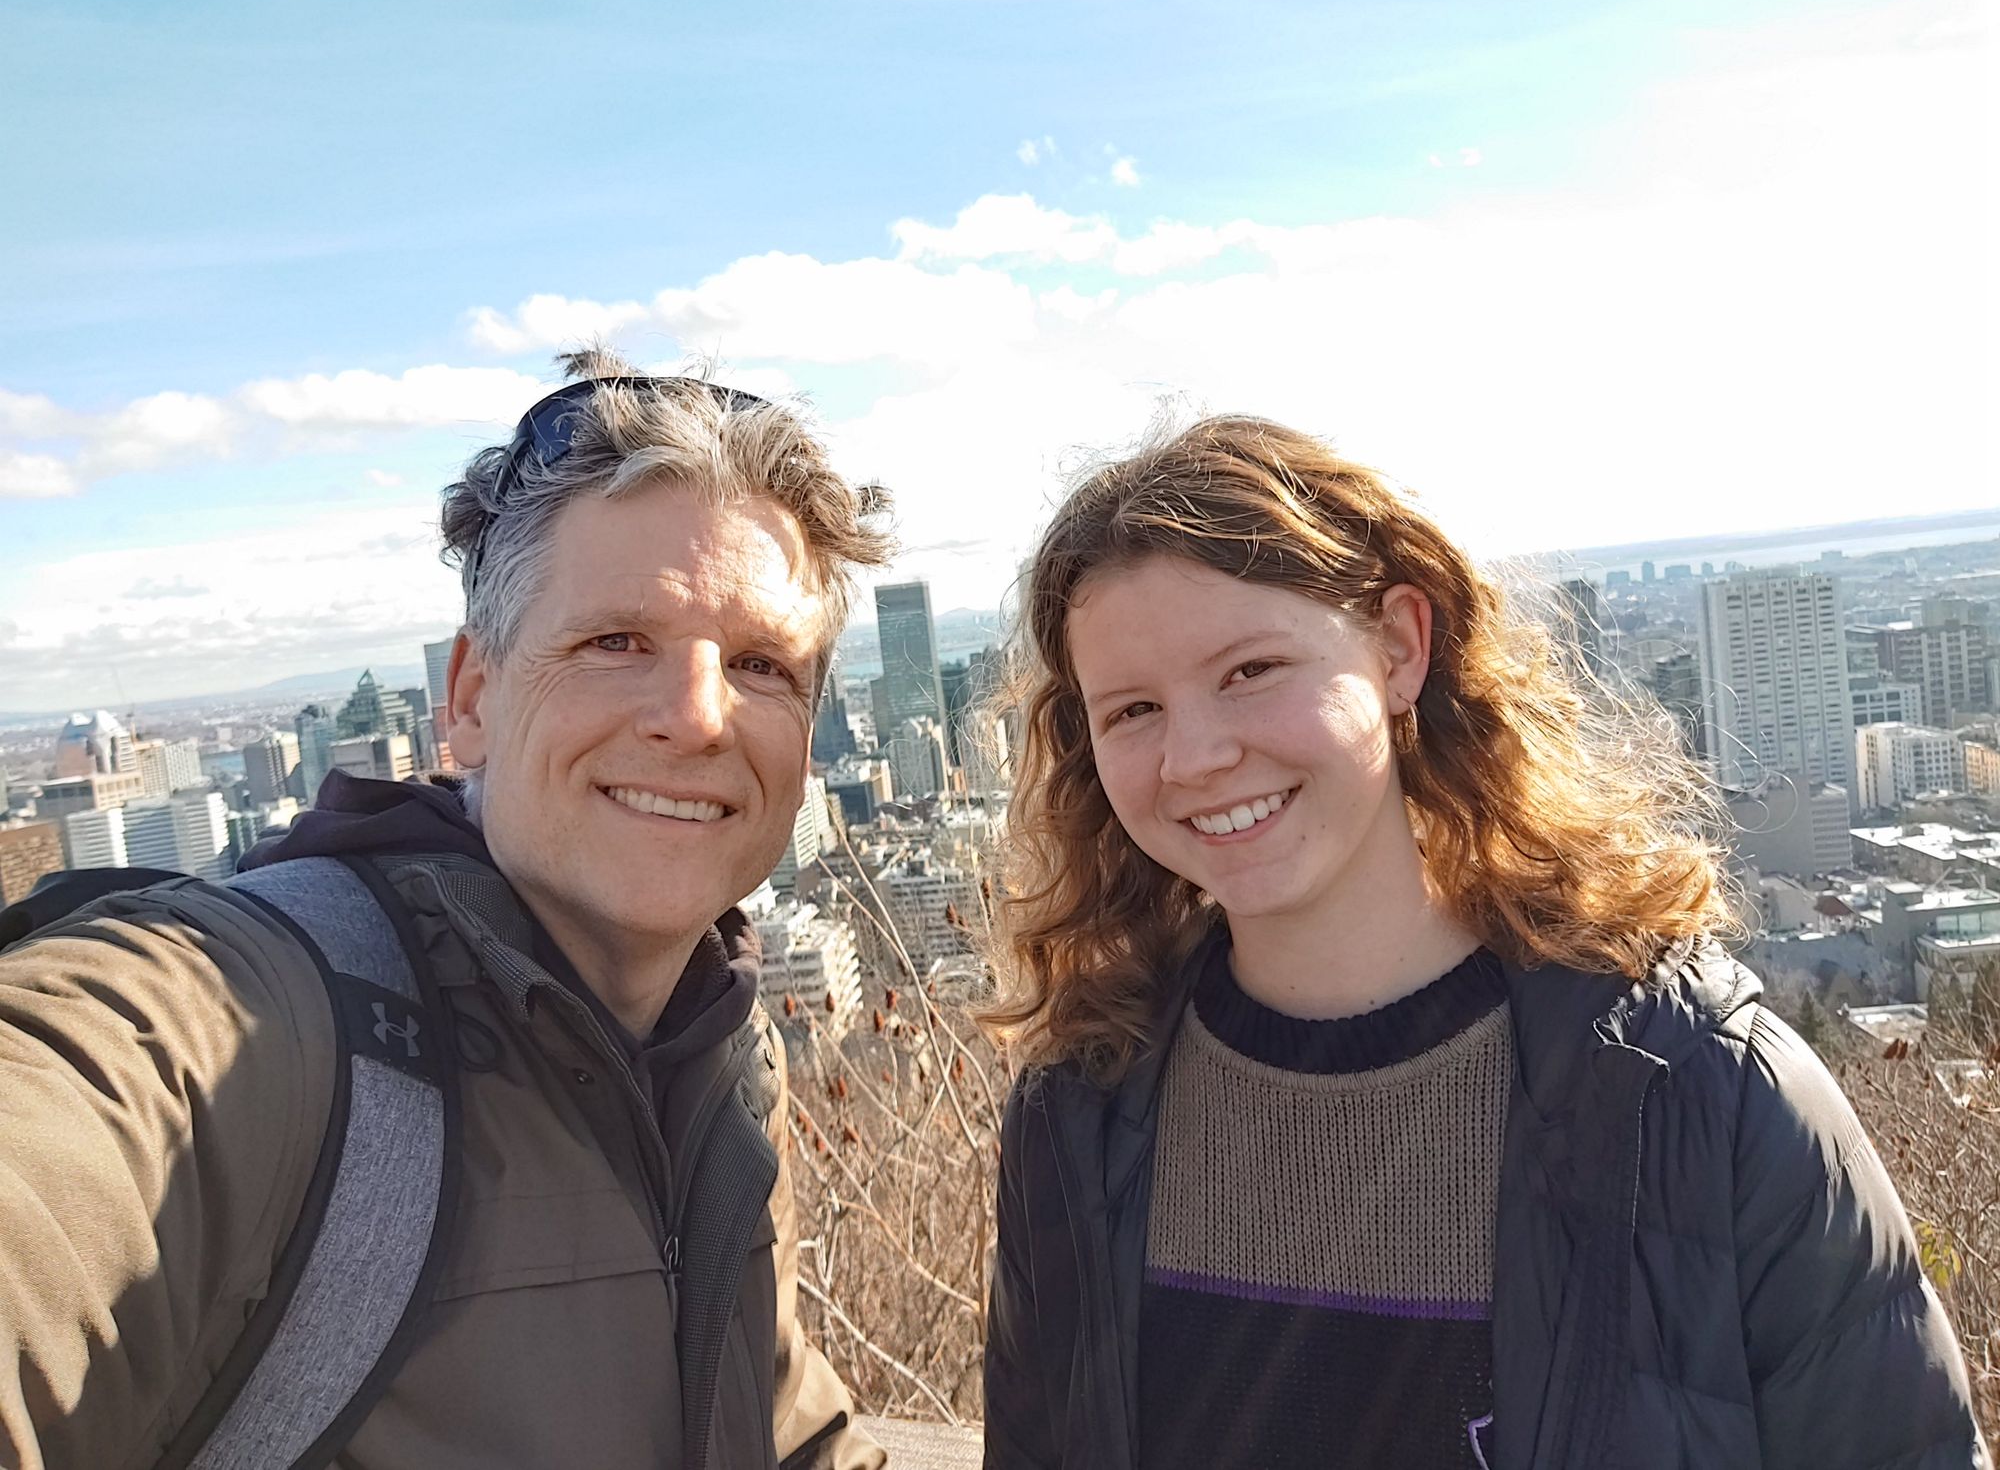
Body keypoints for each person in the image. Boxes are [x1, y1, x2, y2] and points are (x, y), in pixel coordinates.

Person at [980, 415, 1987, 1470]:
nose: (1192, 756)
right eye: (1132, 710)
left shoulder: (1697, 1093)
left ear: (1399, 647)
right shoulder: (1080, 1118)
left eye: (1249, 670)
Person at [0, 354, 890, 1469]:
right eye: (615, 642)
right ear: (471, 699)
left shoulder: (721, 1055)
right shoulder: (257, 1028)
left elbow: (773, 1421)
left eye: (761, 665)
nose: (698, 715)